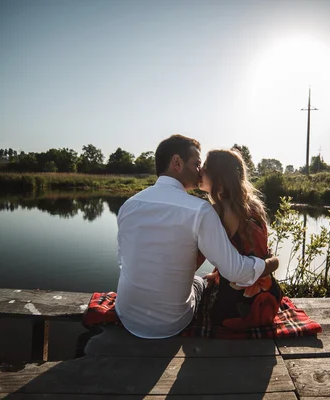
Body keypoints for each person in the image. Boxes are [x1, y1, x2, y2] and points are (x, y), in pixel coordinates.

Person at [115, 134, 279, 339]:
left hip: (126, 315)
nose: (199, 170)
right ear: (177, 162)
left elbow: (123, 261)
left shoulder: (128, 205)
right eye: (196, 163)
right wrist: (273, 263)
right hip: (172, 322)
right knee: (199, 282)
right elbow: (237, 271)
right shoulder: (200, 210)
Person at [198, 149, 282, 330]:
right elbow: (242, 249)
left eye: (204, 167)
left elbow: (218, 251)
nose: (200, 171)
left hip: (236, 305)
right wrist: (219, 273)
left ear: (218, 177)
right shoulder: (254, 205)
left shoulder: (219, 210)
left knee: (203, 295)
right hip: (269, 299)